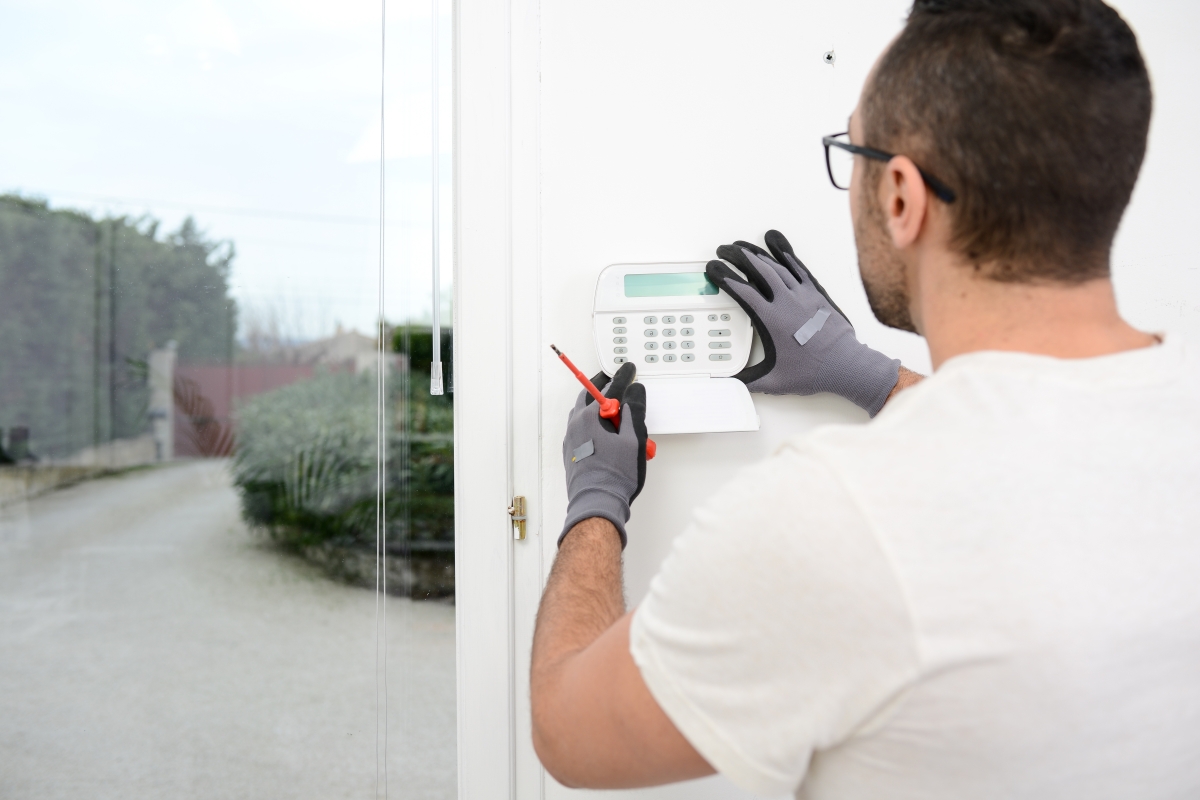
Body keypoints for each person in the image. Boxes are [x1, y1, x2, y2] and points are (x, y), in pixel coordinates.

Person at [531, 0, 1200, 797]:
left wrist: (596, 503)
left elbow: (568, 729)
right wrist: (860, 372)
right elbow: (1041, 437)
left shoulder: (834, 517)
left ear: (902, 198)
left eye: (854, 153)